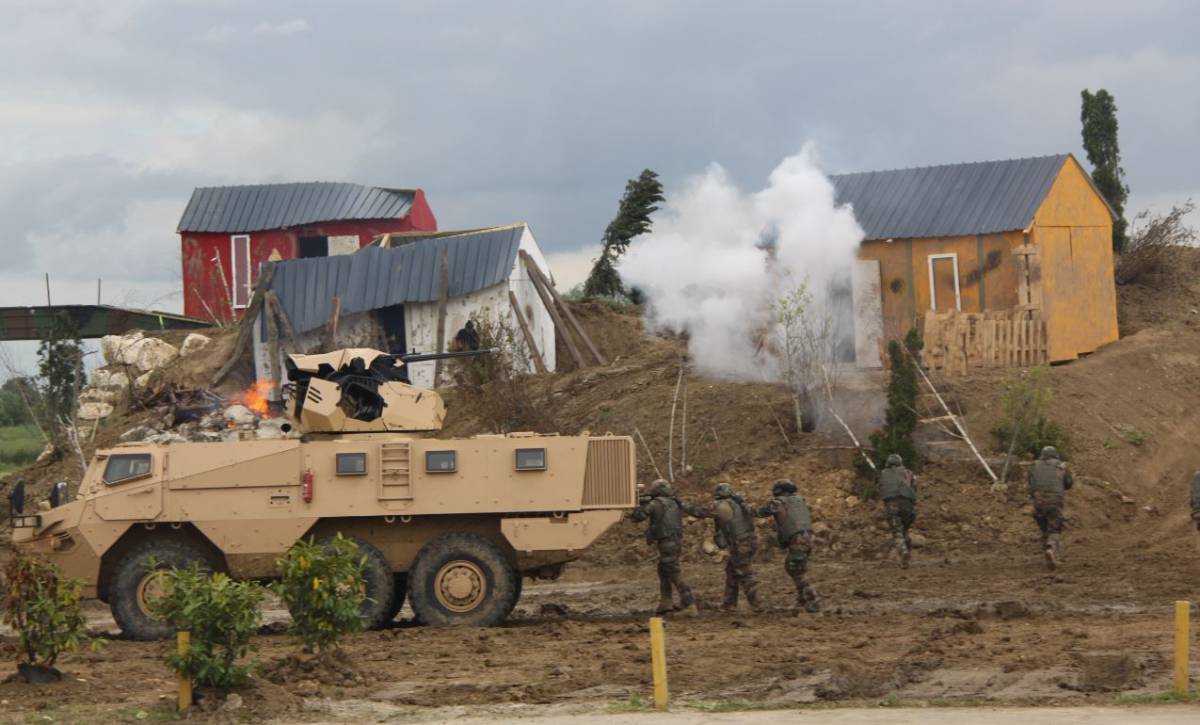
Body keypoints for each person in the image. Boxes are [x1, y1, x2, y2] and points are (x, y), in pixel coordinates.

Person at [687, 483, 762, 612]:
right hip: (750, 540)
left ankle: (758, 605)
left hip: (740, 543)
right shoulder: (738, 504)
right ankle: (729, 604)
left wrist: (680, 504)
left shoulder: (720, 505)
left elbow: (699, 512)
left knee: (745, 572)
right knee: (732, 571)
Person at [753, 479, 820, 614]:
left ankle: (812, 598)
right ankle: (802, 601)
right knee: (798, 568)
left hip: (798, 538)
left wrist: (743, 505)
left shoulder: (778, 502)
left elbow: (759, 512)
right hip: (809, 537)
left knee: (794, 569)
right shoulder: (800, 500)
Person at [630, 479, 696, 614]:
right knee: (664, 570)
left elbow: (638, 517)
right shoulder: (674, 503)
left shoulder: (655, 504)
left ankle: (690, 604)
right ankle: (666, 602)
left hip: (666, 541)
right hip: (675, 540)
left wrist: (637, 505)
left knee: (673, 571)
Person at [1028, 446, 1073, 570]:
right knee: (1054, 528)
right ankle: (1051, 550)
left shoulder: (1034, 465)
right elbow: (1068, 484)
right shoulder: (1061, 466)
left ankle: (1047, 556)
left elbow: (1031, 484)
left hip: (1037, 501)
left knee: (1044, 528)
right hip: (1054, 500)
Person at [878, 453, 918, 568]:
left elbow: (880, 487)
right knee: (905, 530)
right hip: (908, 505)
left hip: (892, 504)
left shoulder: (883, 474)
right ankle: (908, 554)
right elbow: (914, 487)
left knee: (897, 532)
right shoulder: (909, 473)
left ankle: (904, 552)